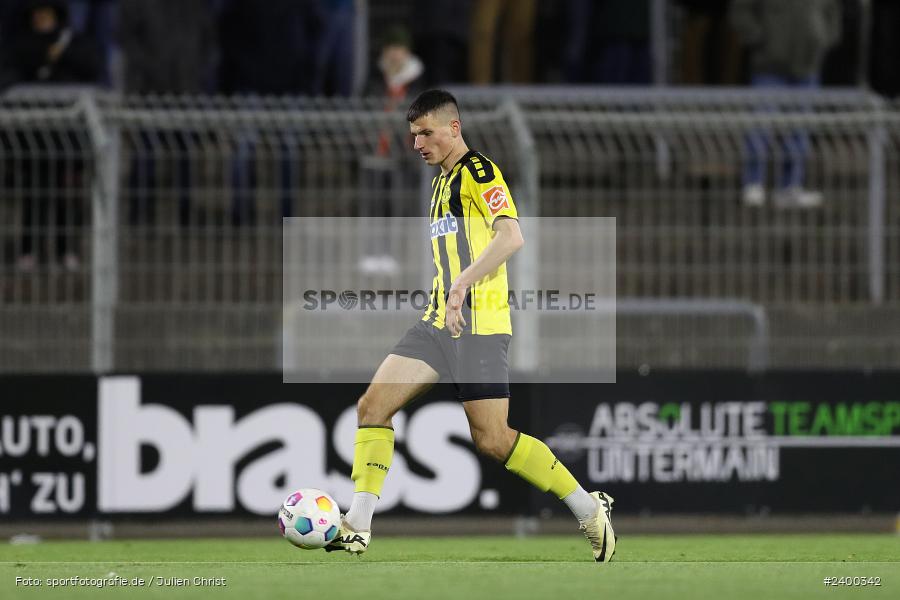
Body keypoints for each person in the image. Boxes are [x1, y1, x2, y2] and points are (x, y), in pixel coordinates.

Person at [324, 90, 617, 563]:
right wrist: (449, 294)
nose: (417, 143)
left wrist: (462, 283)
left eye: (426, 133)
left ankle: (587, 507)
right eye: (413, 135)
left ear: (454, 128)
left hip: (479, 324)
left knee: (493, 440)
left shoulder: (480, 173)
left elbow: (511, 235)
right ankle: (357, 524)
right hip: (439, 321)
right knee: (372, 406)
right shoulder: (440, 182)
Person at [730, 0, 842, 208]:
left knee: (800, 127)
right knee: (760, 123)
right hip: (769, 65)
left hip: (808, 65)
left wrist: (822, 39)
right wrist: (760, 40)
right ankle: (753, 183)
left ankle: (790, 186)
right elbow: (741, 12)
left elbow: (832, 12)